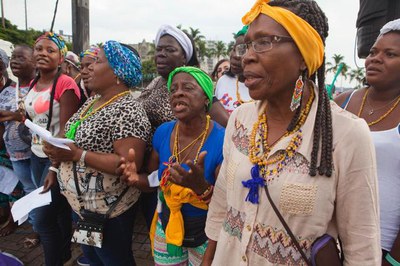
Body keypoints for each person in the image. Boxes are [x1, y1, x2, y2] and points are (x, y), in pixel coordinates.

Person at [203, 0, 381, 265]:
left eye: (264, 42)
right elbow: (221, 207)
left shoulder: (347, 135)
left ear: (302, 55)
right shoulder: (241, 118)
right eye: (247, 44)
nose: (247, 56)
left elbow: (362, 249)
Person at [43, 40, 151, 265]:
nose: (88, 68)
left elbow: (126, 164)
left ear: (117, 74)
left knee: (113, 259)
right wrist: (55, 150)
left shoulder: (128, 110)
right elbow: (72, 136)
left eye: (97, 62)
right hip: (84, 207)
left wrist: (76, 155)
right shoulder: (94, 101)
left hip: (108, 211)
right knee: (92, 257)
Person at [119, 66, 224, 265]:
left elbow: (228, 205)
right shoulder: (163, 132)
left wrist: (201, 187)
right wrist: (135, 179)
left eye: (188, 87)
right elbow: (155, 179)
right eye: (173, 89)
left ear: (206, 98)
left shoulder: (222, 141)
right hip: (166, 224)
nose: (178, 93)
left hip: (207, 233)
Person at [137, 24, 228, 229]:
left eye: (169, 50)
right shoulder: (156, 84)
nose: (161, 54)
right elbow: (151, 178)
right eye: (159, 49)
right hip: (164, 182)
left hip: (201, 213)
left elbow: (226, 124)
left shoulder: (199, 88)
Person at [335, 18, 400, 266]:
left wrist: (393, 260)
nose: (375, 58)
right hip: (329, 239)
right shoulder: (342, 102)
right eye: (373, 52)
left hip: (382, 245)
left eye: (390, 54)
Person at [26, 32, 80, 265]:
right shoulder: (33, 83)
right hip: (35, 155)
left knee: (41, 220)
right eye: (39, 49)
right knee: (56, 213)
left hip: (55, 160)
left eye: (50, 50)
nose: (42, 54)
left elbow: (67, 132)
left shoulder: (65, 83)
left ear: (60, 58)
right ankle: (63, 254)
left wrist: (53, 169)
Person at [0, 45, 38, 246]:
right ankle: (35, 228)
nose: (14, 61)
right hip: (14, 154)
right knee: (28, 190)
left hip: (37, 153)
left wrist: (17, 116)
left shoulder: (40, 88)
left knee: (40, 192)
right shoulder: (7, 92)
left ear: (34, 62)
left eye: (21, 57)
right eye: (13, 57)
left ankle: (42, 231)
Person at [214, 26, 252, 114]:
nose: (234, 55)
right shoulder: (223, 81)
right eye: (234, 49)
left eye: (242, 51)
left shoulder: (263, 88)